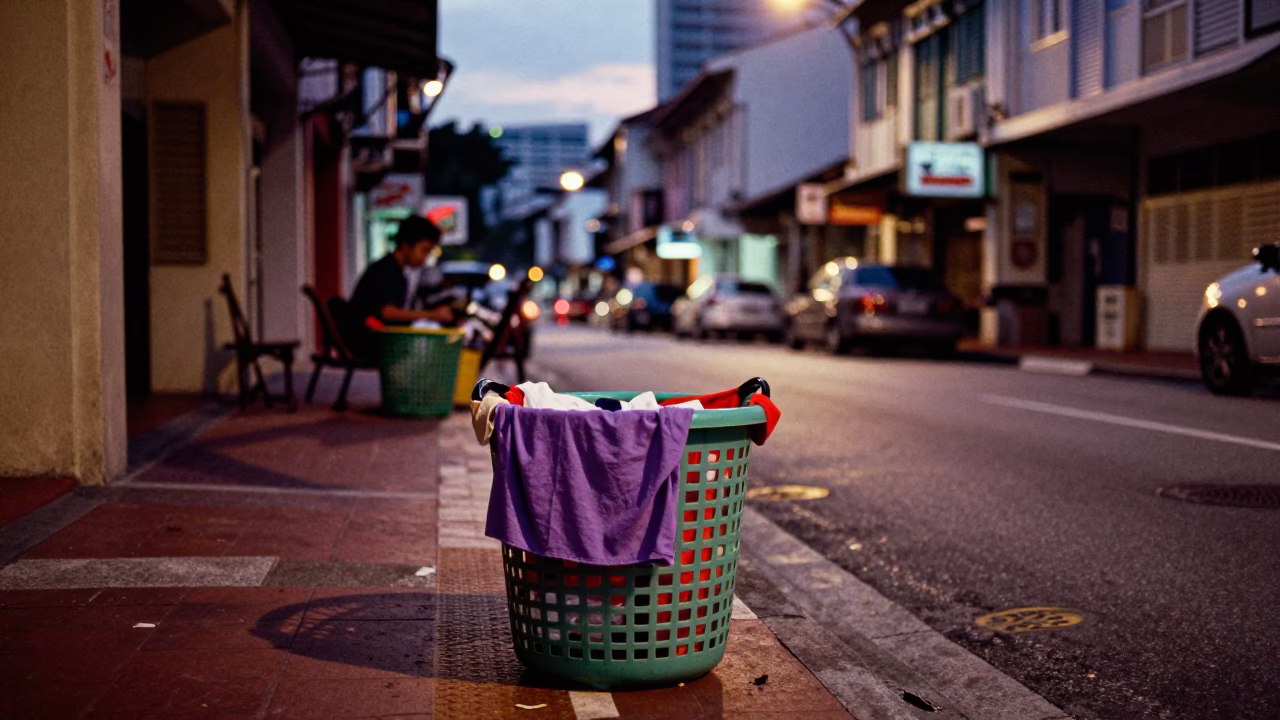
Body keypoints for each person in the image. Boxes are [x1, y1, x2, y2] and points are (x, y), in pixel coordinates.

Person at [343, 214, 456, 356]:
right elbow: (389, 313)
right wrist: (433, 315)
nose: (425, 257)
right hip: (368, 341)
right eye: (424, 250)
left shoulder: (398, 271)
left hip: (380, 339)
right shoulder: (386, 270)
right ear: (406, 246)